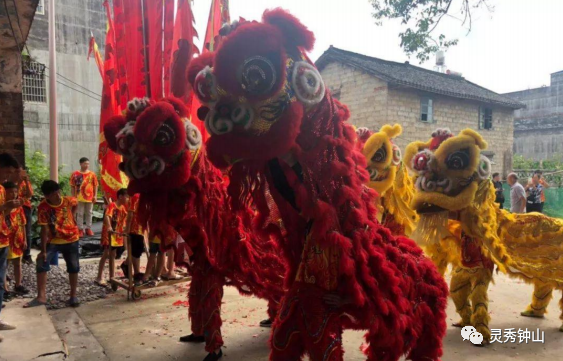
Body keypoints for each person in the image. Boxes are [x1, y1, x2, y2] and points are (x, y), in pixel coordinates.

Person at [24, 181, 81, 308]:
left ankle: (73, 296)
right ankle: (41, 297)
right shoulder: (43, 207)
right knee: (41, 262)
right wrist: (43, 250)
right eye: (53, 195)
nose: (57, 196)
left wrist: (72, 217)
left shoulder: (68, 201)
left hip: (72, 238)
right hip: (53, 241)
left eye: (58, 193)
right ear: (47, 196)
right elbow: (43, 230)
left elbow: (75, 205)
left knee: (74, 266)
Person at [0, 153, 23, 339]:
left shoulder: (2, 188)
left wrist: (9, 207)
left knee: (0, 282)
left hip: (3, 238)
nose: (8, 176)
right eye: (6, 172)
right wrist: (3, 207)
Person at [95, 188, 128, 285]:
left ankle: (112, 276)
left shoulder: (123, 209)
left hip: (116, 235)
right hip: (109, 234)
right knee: (106, 254)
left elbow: (124, 222)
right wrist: (109, 226)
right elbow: (107, 216)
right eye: (126, 197)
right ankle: (99, 277)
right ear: (120, 196)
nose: (127, 199)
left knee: (112, 255)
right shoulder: (112, 205)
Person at [2, 182, 29, 298]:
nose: (13, 194)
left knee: (18, 263)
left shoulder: (19, 208)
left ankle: (18, 284)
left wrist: (25, 239)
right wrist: (9, 207)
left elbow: (23, 223)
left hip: (17, 239)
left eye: (15, 192)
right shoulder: (3, 207)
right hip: (5, 240)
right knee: (4, 265)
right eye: (10, 192)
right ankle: (5, 289)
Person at [70, 157, 99, 237]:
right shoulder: (75, 174)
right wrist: (73, 197)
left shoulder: (92, 174)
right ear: (80, 164)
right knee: (80, 213)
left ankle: (88, 228)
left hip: (90, 197)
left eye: (88, 164)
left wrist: (95, 195)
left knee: (89, 212)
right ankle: (80, 229)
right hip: (78, 197)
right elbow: (72, 186)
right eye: (85, 163)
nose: (87, 165)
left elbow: (95, 185)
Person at [124, 193, 146, 281]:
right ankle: (136, 272)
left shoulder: (144, 196)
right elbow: (130, 214)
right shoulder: (135, 196)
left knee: (138, 251)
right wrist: (127, 230)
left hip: (141, 228)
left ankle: (126, 264)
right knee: (135, 251)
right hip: (135, 228)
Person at [18, 170, 34, 264]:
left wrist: (27, 182)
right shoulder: (11, 182)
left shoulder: (25, 182)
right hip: (14, 207)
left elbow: (29, 195)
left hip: (25, 207)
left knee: (28, 232)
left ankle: (26, 255)